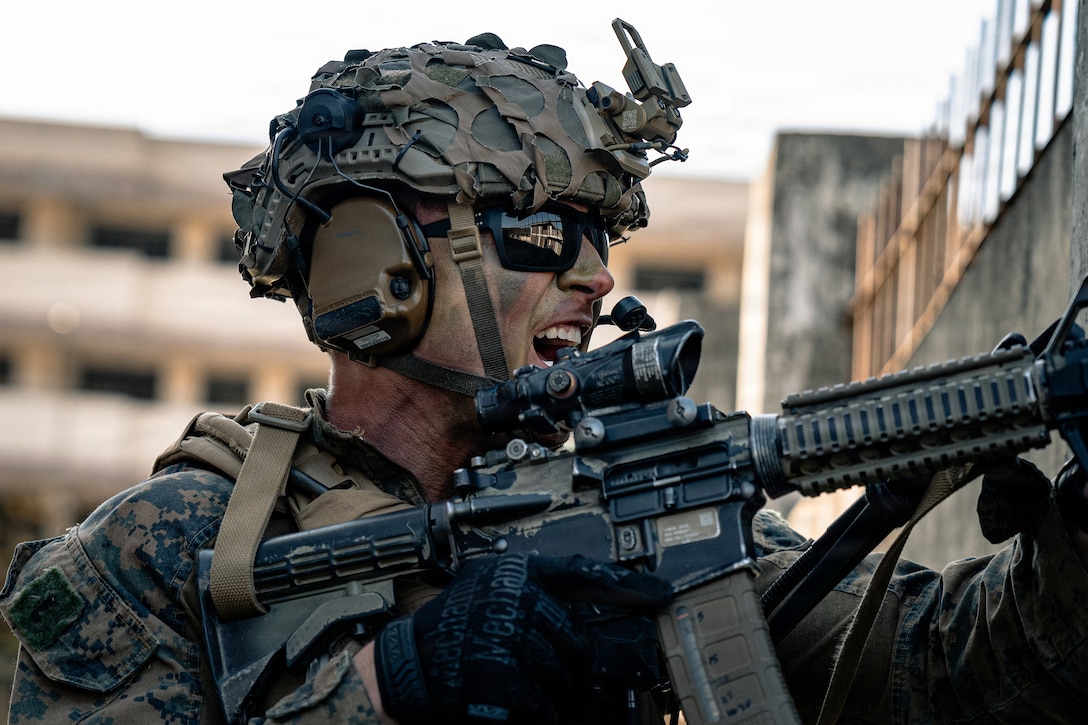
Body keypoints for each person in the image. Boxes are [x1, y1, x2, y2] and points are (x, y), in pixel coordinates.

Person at [2, 20, 1088, 725]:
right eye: (542, 230)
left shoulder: (613, 505)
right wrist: (406, 675)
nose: (593, 271)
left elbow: (953, 679)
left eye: (599, 236)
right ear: (376, 262)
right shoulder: (175, 544)